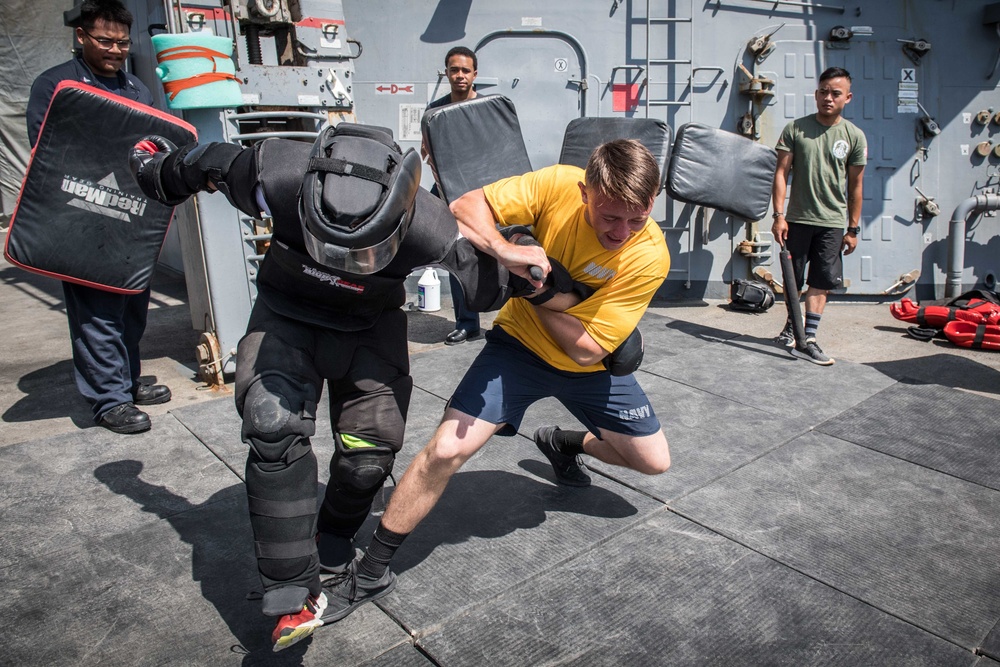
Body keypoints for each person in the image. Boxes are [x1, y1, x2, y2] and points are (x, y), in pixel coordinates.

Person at [128, 122, 549, 651]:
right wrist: (155, 168)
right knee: (272, 426)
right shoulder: (276, 173)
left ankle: (331, 535)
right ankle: (290, 587)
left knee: (370, 452)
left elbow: (497, 282)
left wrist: (536, 262)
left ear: (400, 221)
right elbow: (200, 164)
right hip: (286, 314)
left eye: (360, 253)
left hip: (369, 326)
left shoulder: (430, 226)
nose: (344, 263)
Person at [320, 139, 673, 623]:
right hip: (519, 349)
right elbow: (466, 207)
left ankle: (563, 442)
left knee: (653, 462)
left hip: (587, 366)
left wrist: (531, 289)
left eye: (637, 218)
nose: (622, 232)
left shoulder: (649, 255)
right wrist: (507, 250)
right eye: (610, 217)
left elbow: (587, 348)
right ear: (584, 192)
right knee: (445, 450)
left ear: (652, 202)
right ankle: (373, 570)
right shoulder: (557, 184)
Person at [26, 0, 171, 434]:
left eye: (122, 43)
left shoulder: (137, 90)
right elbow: (47, 151)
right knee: (97, 311)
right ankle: (109, 401)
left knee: (132, 305)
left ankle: (126, 381)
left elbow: (150, 148)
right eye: (105, 41)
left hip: (129, 219)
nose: (115, 50)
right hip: (83, 217)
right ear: (81, 36)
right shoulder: (56, 85)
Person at [771, 66, 867, 366]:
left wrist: (853, 229)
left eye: (836, 93)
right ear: (816, 94)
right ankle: (793, 327)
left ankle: (808, 338)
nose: (828, 98)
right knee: (793, 280)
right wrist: (778, 215)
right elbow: (781, 173)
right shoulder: (796, 129)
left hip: (832, 223)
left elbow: (856, 186)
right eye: (823, 92)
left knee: (821, 281)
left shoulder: (854, 136)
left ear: (847, 98)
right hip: (797, 220)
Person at [422, 46, 482, 344]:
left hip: (483, 192)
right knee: (454, 254)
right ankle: (467, 323)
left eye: (465, 70)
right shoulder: (434, 111)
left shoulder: (487, 108)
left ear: (475, 74)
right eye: (454, 70)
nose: (460, 75)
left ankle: (511, 321)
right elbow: (427, 153)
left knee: (493, 253)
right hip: (447, 191)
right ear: (446, 72)